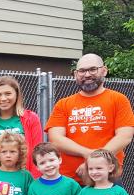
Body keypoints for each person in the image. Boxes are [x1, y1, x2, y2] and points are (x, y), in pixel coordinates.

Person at [46, 53, 134, 182]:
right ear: (76, 74)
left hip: (107, 180)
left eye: (93, 69)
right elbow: (55, 139)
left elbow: (124, 136)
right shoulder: (63, 104)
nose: (87, 75)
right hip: (69, 182)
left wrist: (94, 161)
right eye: (82, 71)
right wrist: (87, 153)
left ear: (104, 71)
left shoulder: (118, 100)